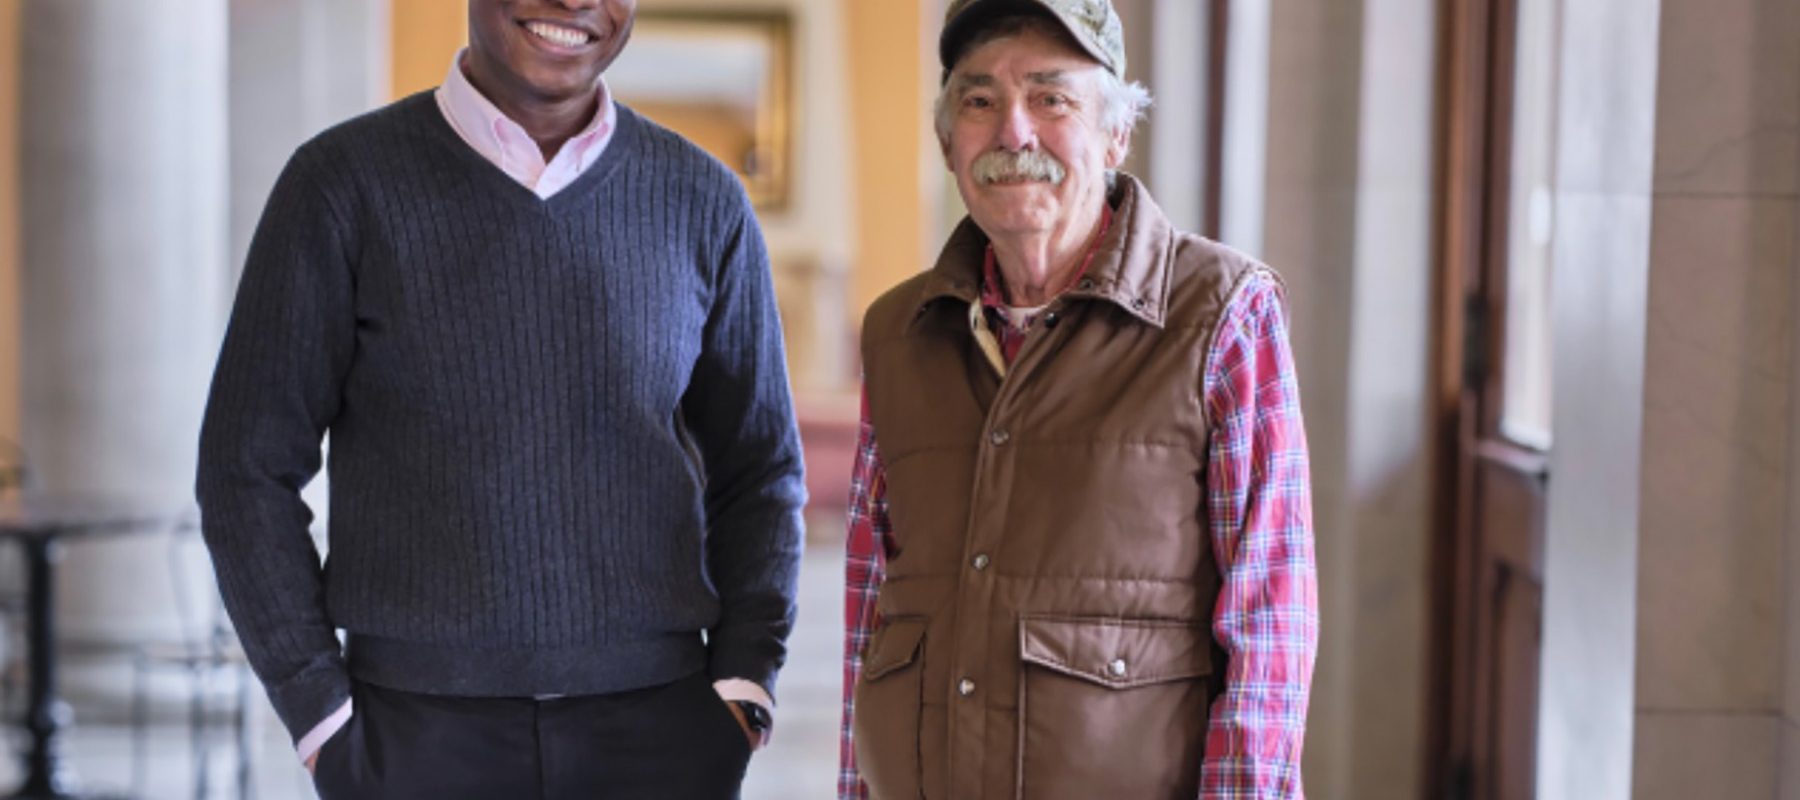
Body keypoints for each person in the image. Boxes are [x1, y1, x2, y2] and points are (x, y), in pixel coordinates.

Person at [196, 0, 805, 796]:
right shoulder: (340, 186)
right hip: (413, 735)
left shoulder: (706, 202)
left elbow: (761, 471)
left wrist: (744, 685)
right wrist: (319, 711)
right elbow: (244, 469)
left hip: (663, 734)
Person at [837, 1, 1317, 797]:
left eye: (1051, 99)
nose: (1013, 134)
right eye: (979, 101)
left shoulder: (1226, 314)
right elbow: (868, 612)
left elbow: (1270, 627)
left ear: (1115, 133)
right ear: (946, 139)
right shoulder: (898, 333)